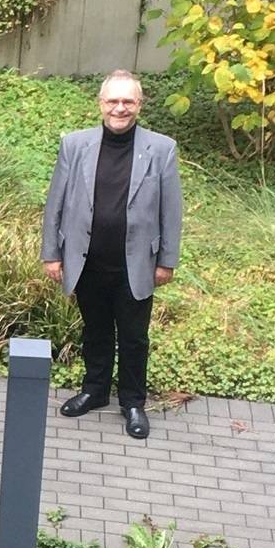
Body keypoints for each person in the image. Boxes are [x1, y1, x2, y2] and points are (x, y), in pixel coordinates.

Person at [40, 70, 183, 439]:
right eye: (113, 101)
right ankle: (95, 390)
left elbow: (171, 210)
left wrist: (167, 261)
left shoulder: (161, 149)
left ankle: (133, 402)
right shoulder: (75, 145)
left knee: (134, 338)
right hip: (86, 259)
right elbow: (56, 203)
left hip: (136, 264)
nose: (120, 108)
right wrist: (52, 254)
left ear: (139, 105)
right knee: (95, 331)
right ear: (101, 103)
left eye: (128, 101)